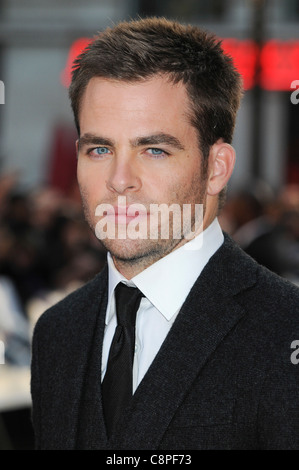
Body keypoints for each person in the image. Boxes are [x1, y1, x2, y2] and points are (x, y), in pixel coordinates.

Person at [31, 17, 299, 450]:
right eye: (99, 149)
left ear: (216, 168)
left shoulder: (285, 330)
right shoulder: (57, 333)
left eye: (153, 150)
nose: (119, 179)